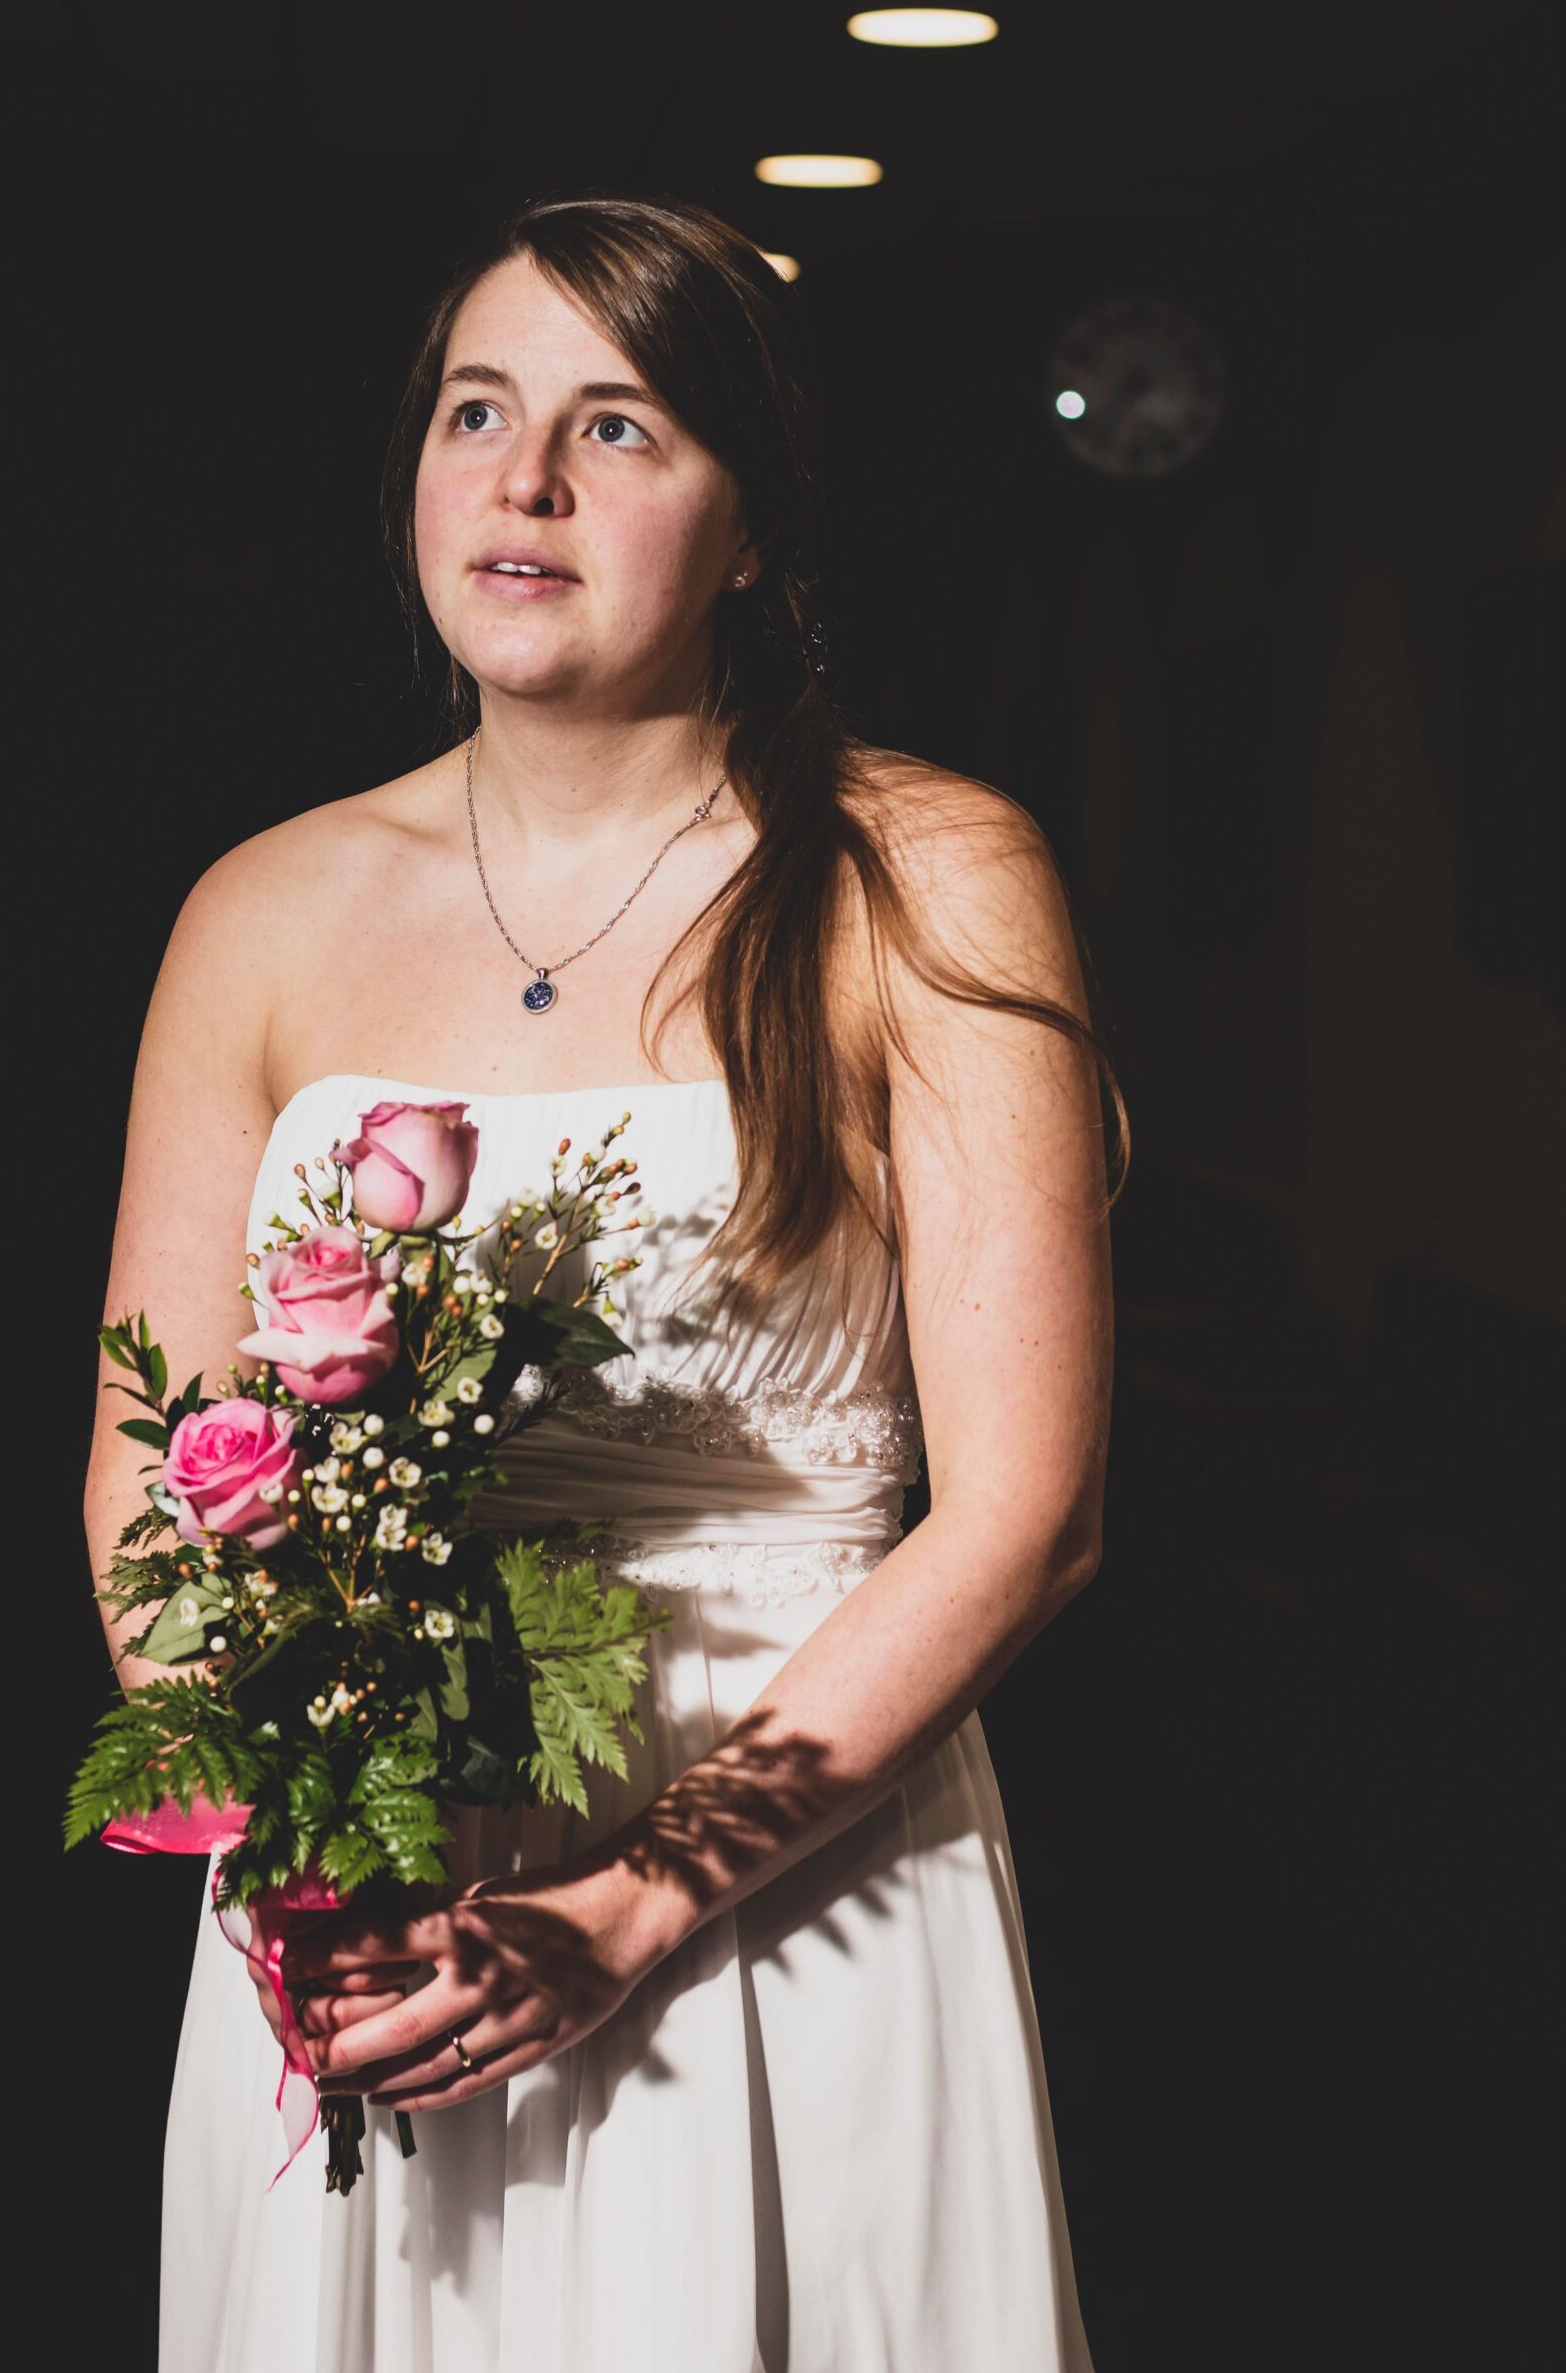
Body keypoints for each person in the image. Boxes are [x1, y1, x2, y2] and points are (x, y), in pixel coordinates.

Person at [84, 187, 1125, 2373]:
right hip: (373, 1908)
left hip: (793, 1876)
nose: (524, 479)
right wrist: (297, 1840)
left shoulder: (920, 875)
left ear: (751, 522)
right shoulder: (258, 909)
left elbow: (1025, 1507)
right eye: (478, 410)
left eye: (618, 425)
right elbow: (153, 1459)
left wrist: (633, 1895)